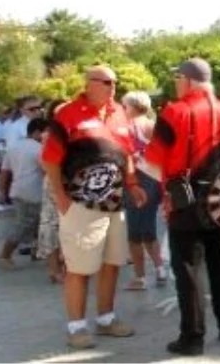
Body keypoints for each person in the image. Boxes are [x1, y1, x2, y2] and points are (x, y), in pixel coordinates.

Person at [39, 66, 146, 349]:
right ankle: (76, 327)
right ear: (90, 84)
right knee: (80, 268)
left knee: (112, 264)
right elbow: (49, 158)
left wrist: (133, 184)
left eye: (115, 82)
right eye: (107, 82)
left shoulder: (120, 113)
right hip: (81, 205)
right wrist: (60, 196)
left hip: (115, 205)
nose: (113, 87)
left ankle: (106, 319)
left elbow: (128, 154)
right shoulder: (68, 114)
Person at [146, 58, 220, 356]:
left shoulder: (175, 112)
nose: (176, 83)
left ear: (187, 81)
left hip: (185, 201)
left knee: (188, 269)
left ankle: (192, 337)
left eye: (178, 78)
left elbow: (154, 161)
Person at [120, 92, 167, 290]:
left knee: (134, 233)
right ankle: (159, 269)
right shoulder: (153, 125)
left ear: (132, 106)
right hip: (156, 180)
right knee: (147, 228)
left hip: (136, 180)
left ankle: (140, 277)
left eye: (124, 105)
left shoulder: (129, 127)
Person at [0, 117, 45, 269]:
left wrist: (2, 190)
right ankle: (5, 255)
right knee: (23, 225)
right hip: (33, 192)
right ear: (37, 132)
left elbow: (4, 172)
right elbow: (46, 171)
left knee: (35, 223)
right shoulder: (39, 149)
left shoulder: (14, 147)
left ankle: (36, 251)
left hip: (17, 190)